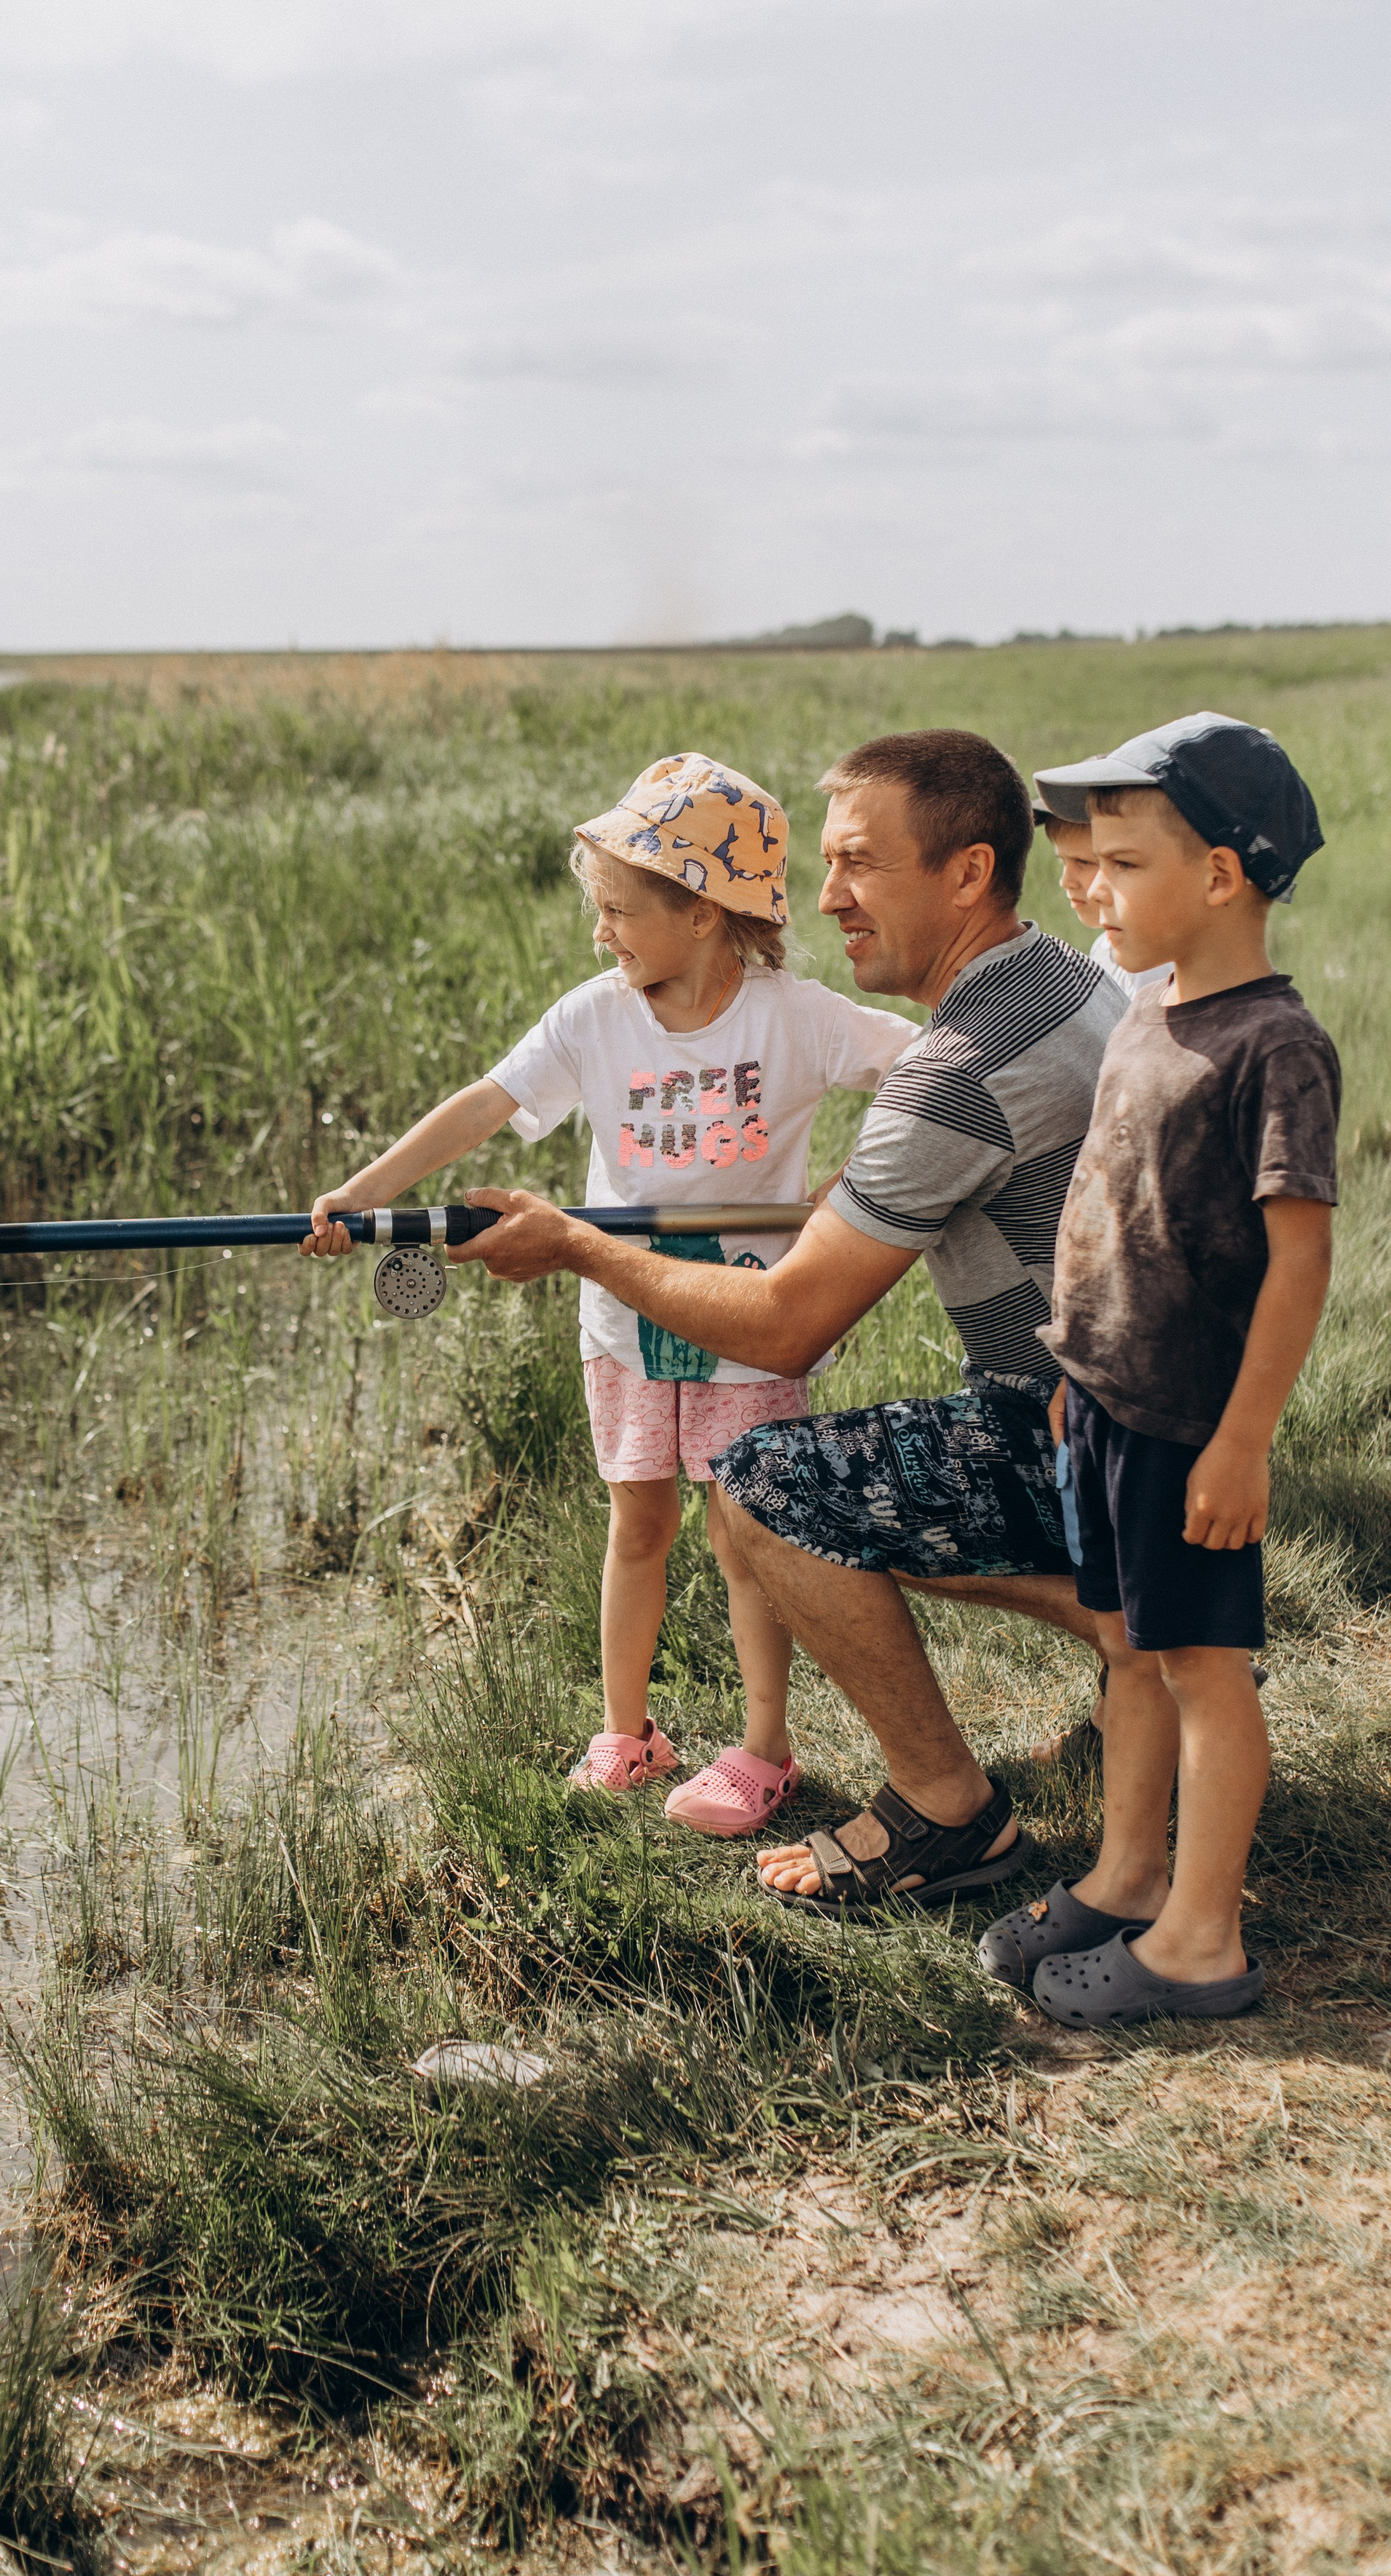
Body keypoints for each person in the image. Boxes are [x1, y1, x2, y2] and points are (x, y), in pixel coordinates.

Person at [451, 728, 1124, 1910]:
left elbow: (783, 1328)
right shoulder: (1066, 982)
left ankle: (951, 1806)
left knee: (768, 1484)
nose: (825, 900)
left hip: (1085, 1435)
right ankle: (1143, 1630)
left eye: (860, 863)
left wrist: (575, 1244)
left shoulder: (955, 1067)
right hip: (1138, 1405)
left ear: (967, 873)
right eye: (824, 863)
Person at [302, 752, 916, 1830]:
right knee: (639, 1523)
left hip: (745, 1319)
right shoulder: (596, 1016)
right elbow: (484, 1105)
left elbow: (934, 1072)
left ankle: (763, 1749)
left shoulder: (799, 1019)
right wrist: (360, 1194)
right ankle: (626, 1733)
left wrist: (847, 1193)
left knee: (745, 1531)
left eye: (622, 911)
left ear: (707, 911)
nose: (604, 934)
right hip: (622, 1321)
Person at [977, 713, 1336, 2023]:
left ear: (1224, 877)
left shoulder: (1272, 1046)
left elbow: (1299, 1261)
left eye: (1121, 867)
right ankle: (1129, 1878)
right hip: (1109, 1404)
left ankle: (1200, 1940)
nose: (1090, 889)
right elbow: (1113, 1203)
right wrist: (1078, 1368)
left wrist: (1243, 1443)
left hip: (1194, 1423)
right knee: (1130, 1649)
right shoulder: (1151, 1002)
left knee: (1200, 1668)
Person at [1035, 799, 1170, 1001]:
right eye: (1063, 861)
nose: (1066, 881)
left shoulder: (1149, 968)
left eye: (1083, 862)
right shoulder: (1103, 947)